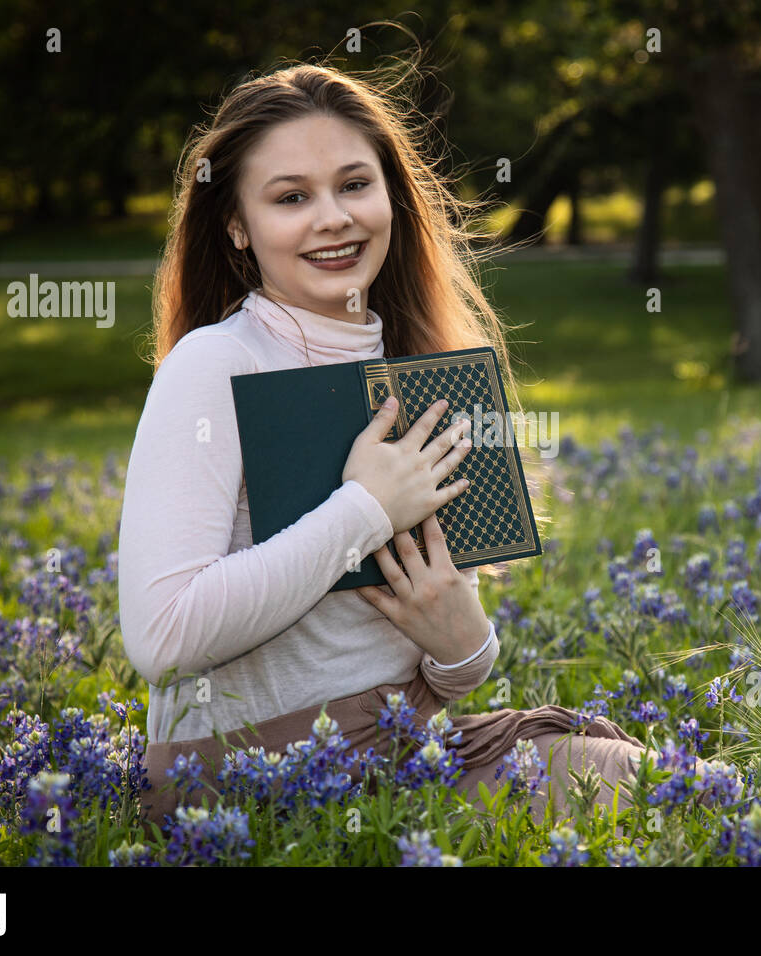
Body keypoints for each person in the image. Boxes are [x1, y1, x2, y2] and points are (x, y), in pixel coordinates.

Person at [118, 60, 708, 835]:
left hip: (404, 743)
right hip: (244, 774)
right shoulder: (217, 363)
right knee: (645, 797)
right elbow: (163, 637)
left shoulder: (419, 364)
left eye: (355, 185)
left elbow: (428, 654)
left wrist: (466, 646)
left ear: (392, 197)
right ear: (237, 225)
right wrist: (363, 509)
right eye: (291, 197)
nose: (333, 218)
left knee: (672, 788)